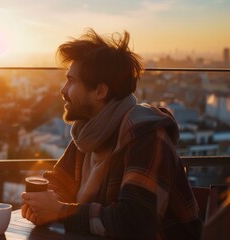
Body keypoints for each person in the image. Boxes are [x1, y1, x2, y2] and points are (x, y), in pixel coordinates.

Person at [21, 29, 202, 239]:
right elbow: (60, 181)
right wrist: (44, 204)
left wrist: (60, 212)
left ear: (100, 91)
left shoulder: (147, 137)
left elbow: (135, 224)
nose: (63, 89)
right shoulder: (89, 131)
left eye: (71, 80)